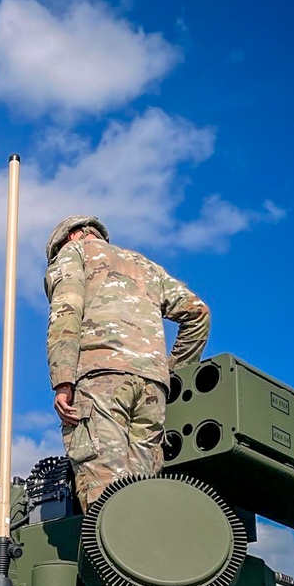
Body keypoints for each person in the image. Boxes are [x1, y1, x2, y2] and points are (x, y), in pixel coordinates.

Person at [45, 216, 211, 512]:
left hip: (101, 379)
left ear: (71, 237)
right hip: (152, 387)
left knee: (104, 493)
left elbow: (66, 312)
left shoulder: (75, 254)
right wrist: (172, 370)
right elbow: (198, 313)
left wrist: (63, 380)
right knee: (143, 494)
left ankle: (109, 556)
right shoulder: (146, 265)